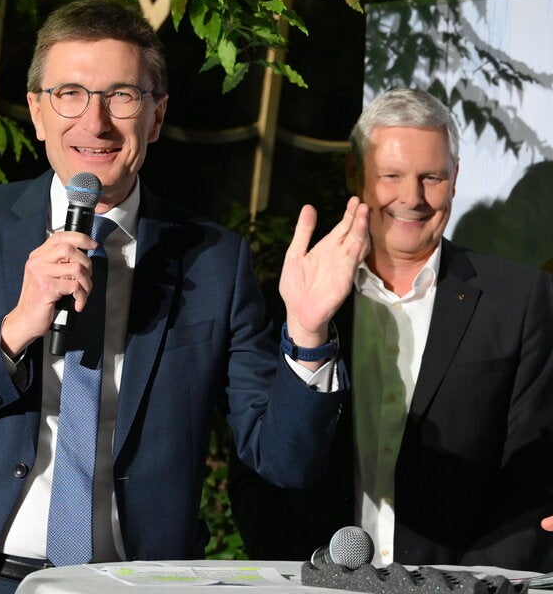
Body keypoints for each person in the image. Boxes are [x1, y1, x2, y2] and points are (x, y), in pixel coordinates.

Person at [0, 0, 369, 594]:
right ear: (36, 111)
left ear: (156, 116)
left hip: (139, 582)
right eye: (69, 93)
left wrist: (306, 337)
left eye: (122, 96)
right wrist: (15, 327)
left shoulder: (213, 259)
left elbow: (286, 461)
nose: (94, 123)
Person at [227, 87, 553, 572]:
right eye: (391, 176)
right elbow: (258, 466)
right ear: (355, 175)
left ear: (456, 180)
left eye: (432, 177)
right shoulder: (295, 296)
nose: (413, 198)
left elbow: (534, 472)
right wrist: (292, 570)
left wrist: (470, 585)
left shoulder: (521, 299)